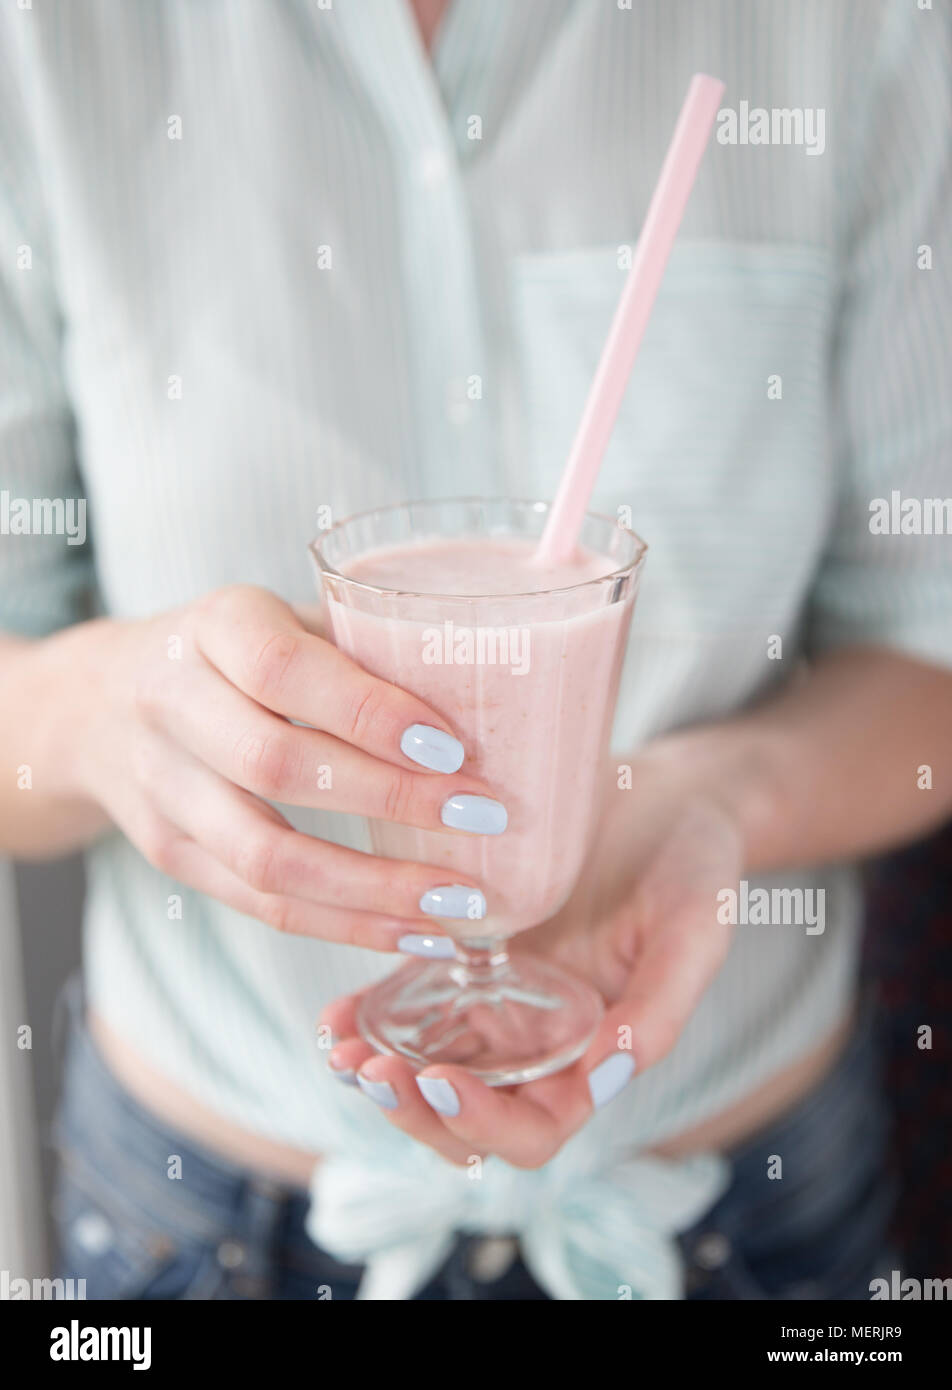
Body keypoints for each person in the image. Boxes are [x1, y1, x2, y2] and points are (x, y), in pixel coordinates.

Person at [1, 0, 950, 1300]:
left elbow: (930, 642)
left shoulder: (859, 27)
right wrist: (92, 713)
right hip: (202, 1217)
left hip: (754, 1203)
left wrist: (718, 796)